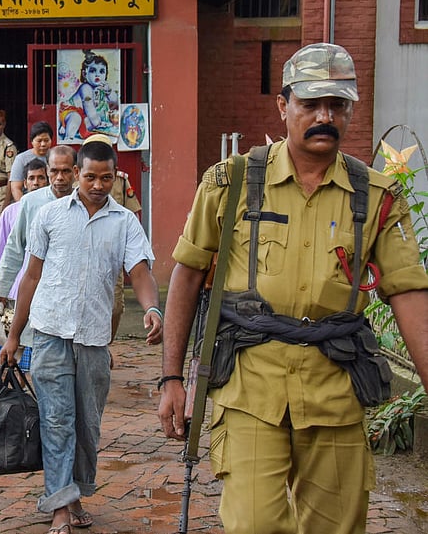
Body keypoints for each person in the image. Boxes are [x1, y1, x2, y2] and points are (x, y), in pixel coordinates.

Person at [157, 43, 428, 533]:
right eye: (310, 104)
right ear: (284, 106)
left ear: (351, 109)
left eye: (338, 105)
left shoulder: (379, 197)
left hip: (337, 389)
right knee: (254, 523)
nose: (325, 116)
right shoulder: (231, 182)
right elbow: (188, 273)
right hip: (250, 385)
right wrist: (171, 378)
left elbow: (409, 296)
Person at [0, 139, 162, 534]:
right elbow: (32, 276)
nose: (98, 185)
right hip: (50, 333)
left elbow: (139, 271)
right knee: (57, 420)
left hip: (93, 339)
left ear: (115, 179)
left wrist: (153, 309)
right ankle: (59, 506)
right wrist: (13, 335)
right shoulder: (50, 215)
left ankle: (74, 493)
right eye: (90, 176)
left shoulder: (125, 222)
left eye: (106, 178)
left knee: (87, 423)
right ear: (76, 174)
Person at [0, 145, 79, 308]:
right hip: (34, 290)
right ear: (47, 170)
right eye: (54, 171)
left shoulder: (84, 204)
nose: (59, 177)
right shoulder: (30, 202)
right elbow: (14, 248)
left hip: (71, 293)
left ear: (76, 171)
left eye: (65, 171)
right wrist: (1, 289)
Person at [83, 133, 143, 341]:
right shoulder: (80, 181)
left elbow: (132, 213)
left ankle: (106, 343)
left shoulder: (120, 180)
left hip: (110, 254)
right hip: (83, 253)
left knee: (116, 306)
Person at [0, 158, 49, 296]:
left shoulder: (54, 211)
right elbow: (1, 248)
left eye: (41, 178)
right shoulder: (10, 212)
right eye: (31, 178)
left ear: (47, 182)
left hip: (46, 284)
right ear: (25, 183)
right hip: (16, 283)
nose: (36, 183)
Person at [59, 50, 120, 139]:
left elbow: (115, 101)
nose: (97, 75)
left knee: (89, 120)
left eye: (102, 71)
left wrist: (109, 91)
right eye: (93, 71)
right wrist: (97, 123)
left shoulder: (101, 88)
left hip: (84, 116)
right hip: (70, 111)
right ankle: (69, 136)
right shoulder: (86, 87)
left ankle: (74, 130)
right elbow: (88, 106)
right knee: (76, 118)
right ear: (84, 74)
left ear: (106, 74)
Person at [9, 121, 53, 202]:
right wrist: (23, 207)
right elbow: (16, 188)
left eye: (46, 140)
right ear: (32, 141)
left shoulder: (55, 157)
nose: (43, 144)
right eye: (39, 141)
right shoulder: (21, 159)